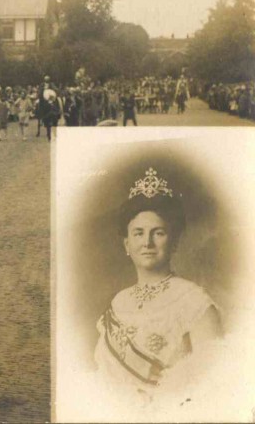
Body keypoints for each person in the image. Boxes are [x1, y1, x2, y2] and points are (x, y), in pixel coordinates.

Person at [94, 167, 222, 410]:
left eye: (158, 233)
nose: (147, 243)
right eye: (138, 233)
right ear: (126, 244)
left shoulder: (195, 303)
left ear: (173, 242)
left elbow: (214, 389)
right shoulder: (118, 303)